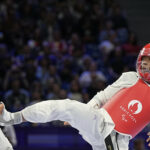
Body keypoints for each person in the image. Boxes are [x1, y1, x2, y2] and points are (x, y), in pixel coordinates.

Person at [1, 43, 150, 150]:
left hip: (119, 141)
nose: (145, 64)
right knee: (66, 106)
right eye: (144, 59)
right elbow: (102, 97)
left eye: (149, 61)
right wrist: (84, 114)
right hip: (99, 121)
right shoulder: (130, 77)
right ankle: (11, 118)